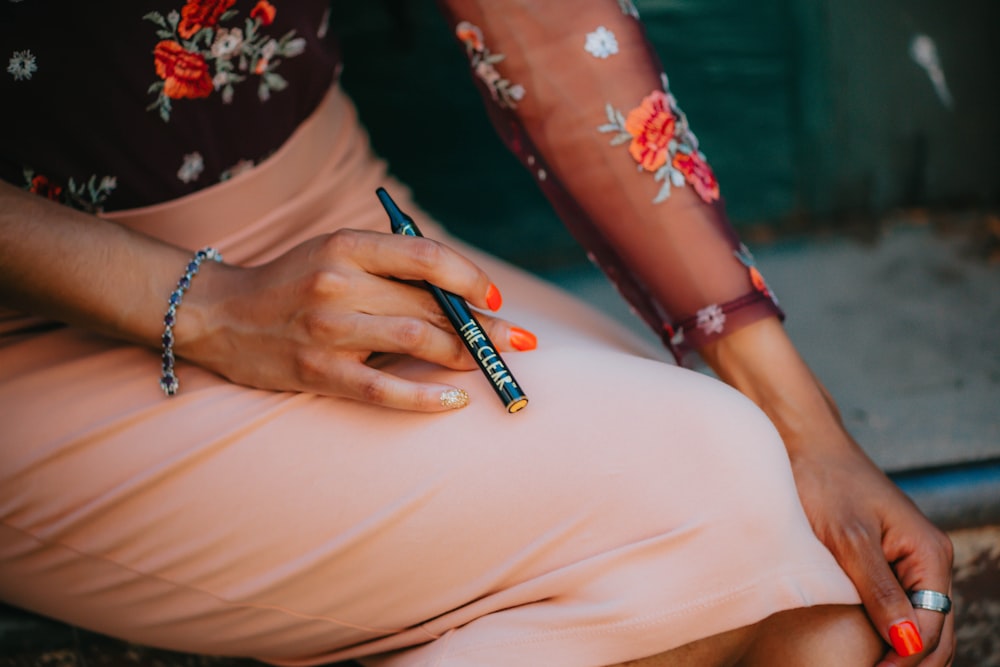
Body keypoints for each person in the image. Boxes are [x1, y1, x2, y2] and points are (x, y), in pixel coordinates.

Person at [0, 2, 955, 666]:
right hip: (53, 321)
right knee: (718, 498)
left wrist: (809, 429)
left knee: (831, 617)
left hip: (340, 216)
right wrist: (209, 305)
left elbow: (543, 25)